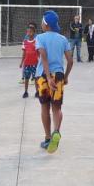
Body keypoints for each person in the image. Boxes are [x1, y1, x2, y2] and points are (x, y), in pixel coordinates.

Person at [36, 10, 74, 154]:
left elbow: (44, 58)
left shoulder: (40, 38)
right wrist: (65, 76)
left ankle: (47, 138)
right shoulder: (63, 39)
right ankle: (56, 131)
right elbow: (70, 61)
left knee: (44, 107)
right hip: (58, 75)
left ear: (45, 24)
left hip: (43, 76)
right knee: (56, 107)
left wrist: (48, 77)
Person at [19, 23, 39, 99]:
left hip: (35, 63)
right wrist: (21, 63)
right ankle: (26, 92)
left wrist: (40, 62)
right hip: (27, 64)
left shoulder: (36, 42)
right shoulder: (25, 42)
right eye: (27, 32)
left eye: (30, 32)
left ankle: (37, 92)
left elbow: (39, 53)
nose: (29, 33)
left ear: (34, 32)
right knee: (26, 78)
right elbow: (24, 53)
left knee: (36, 78)